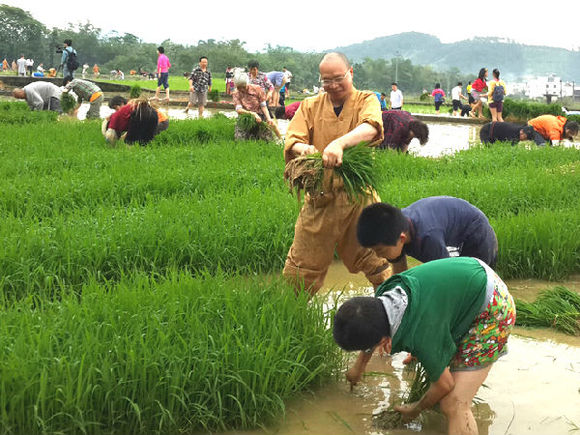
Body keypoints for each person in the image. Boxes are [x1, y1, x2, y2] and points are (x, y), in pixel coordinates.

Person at [333, 256, 516, 435]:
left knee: (453, 403)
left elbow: (445, 384)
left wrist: (416, 408)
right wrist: (359, 367)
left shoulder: (422, 334)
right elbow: (372, 324)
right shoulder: (384, 294)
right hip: (468, 275)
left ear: (382, 341)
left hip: (494, 306)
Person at [282, 52, 390, 296]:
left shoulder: (367, 100)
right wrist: (305, 149)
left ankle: (392, 315)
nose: (332, 85)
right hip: (320, 198)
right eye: (326, 81)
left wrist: (339, 144)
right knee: (300, 271)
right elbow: (292, 140)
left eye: (338, 78)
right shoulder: (310, 106)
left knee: (379, 263)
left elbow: (371, 127)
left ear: (350, 73)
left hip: (358, 200)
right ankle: (292, 320)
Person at [356, 196, 498, 275]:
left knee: (473, 280)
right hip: (447, 227)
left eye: (380, 250)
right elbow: (400, 272)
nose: (379, 256)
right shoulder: (395, 228)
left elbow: (448, 278)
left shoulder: (429, 239)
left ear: (402, 239)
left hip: (476, 233)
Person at [232, 72, 281, 140]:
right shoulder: (236, 93)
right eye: (239, 87)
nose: (242, 89)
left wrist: (268, 118)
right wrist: (252, 113)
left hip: (260, 116)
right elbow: (239, 110)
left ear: (247, 83)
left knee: (267, 139)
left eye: (243, 87)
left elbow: (263, 106)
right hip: (245, 117)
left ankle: (281, 140)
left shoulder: (257, 89)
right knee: (240, 139)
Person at [102, 96, 169, 146]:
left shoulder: (131, 107)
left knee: (142, 137)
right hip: (160, 120)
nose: (117, 110)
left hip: (161, 121)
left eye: (116, 108)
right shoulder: (132, 105)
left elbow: (133, 125)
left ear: (122, 103)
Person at [479, 122, 545, 145]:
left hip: (495, 133)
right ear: (522, 132)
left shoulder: (518, 133)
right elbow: (509, 148)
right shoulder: (513, 134)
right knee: (489, 149)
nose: (524, 140)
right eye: (525, 138)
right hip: (486, 131)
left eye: (526, 139)